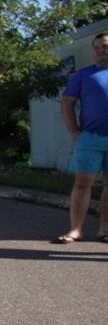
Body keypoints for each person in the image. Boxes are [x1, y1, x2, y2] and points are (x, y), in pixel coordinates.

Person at [56, 32, 108, 243]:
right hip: (89, 138)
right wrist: (74, 132)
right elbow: (67, 102)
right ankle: (75, 230)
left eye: (104, 46)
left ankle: (105, 230)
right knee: (82, 183)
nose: (99, 51)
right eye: (96, 47)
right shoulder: (82, 75)